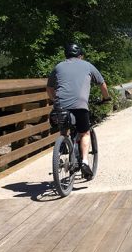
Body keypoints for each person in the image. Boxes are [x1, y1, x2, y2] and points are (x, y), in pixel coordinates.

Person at [47, 43, 110, 179]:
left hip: (60, 107)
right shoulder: (87, 65)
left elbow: (49, 88)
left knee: (64, 130)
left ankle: (63, 144)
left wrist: (54, 100)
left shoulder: (58, 67)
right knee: (85, 133)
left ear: (66, 55)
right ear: (80, 55)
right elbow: (102, 84)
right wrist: (106, 98)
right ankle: (84, 162)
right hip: (80, 105)